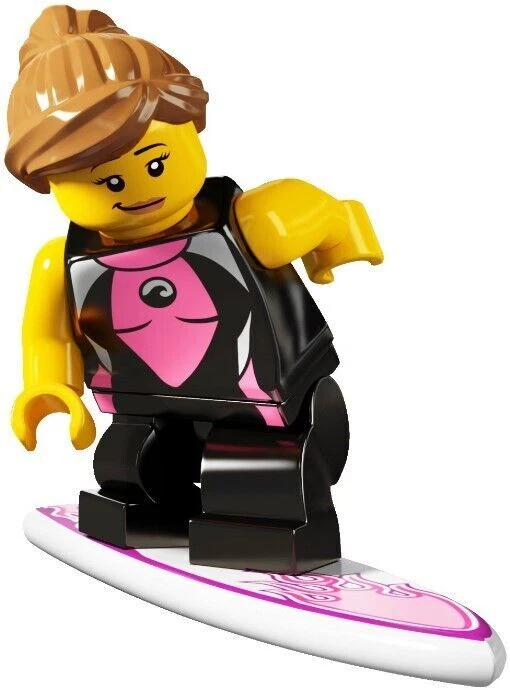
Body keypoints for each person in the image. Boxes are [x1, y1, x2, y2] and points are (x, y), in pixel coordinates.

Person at [5, 5, 383, 573]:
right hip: (145, 412)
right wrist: (49, 387)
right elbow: (48, 336)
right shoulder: (58, 264)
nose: (136, 191)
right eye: (108, 181)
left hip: (264, 411)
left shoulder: (251, 221)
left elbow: (319, 208)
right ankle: (150, 520)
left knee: (252, 477)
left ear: (188, 128)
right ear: (49, 181)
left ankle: (263, 535)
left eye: (155, 164)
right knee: (126, 470)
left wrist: (342, 235)